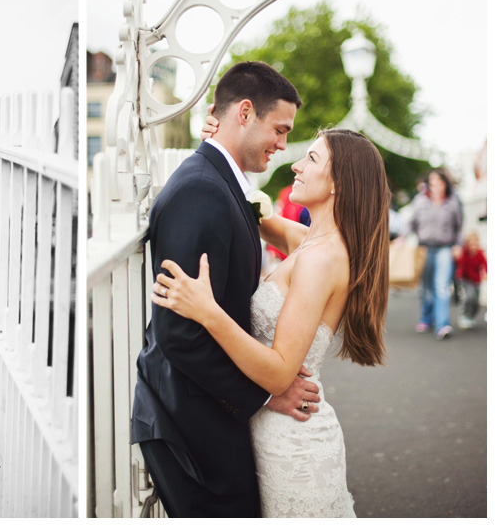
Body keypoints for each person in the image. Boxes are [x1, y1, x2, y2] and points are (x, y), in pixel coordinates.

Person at [154, 123, 390, 517]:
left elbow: (282, 374)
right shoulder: (309, 241)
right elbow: (252, 206)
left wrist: (207, 312)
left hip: (294, 445)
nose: (296, 165)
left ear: (339, 183)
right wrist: (221, 141)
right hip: (273, 431)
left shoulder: (321, 259)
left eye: (311, 158)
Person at [131, 62, 321, 518]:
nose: (282, 143)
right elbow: (179, 332)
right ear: (245, 112)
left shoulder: (223, 183)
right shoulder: (201, 191)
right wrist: (265, 393)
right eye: (279, 129)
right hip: (188, 421)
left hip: (207, 412)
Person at [404, 169, 463, 340]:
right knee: (427, 287)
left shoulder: (452, 202)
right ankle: (425, 318)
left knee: (442, 286)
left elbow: (458, 227)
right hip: (424, 248)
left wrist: (458, 246)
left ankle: (443, 324)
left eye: (439, 182)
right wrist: (402, 238)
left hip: (445, 248)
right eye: (432, 182)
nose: (435, 186)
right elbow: (412, 223)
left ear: (445, 184)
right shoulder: (420, 200)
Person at [456, 231, 486, 329]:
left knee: (476, 301)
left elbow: (485, 264)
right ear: (467, 245)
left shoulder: (480, 253)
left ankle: (472, 315)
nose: (473, 247)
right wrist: (459, 275)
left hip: (476, 280)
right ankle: (465, 315)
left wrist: (486, 273)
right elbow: (461, 265)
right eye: (470, 245)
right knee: (470, 297)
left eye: (475, 244)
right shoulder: (464, 254)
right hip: (466, 280)